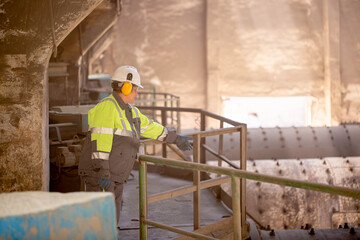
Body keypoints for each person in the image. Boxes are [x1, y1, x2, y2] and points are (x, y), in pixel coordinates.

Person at [78, 65, 192, 224]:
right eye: (135, 88)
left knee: (110, 219)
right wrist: (102, 169)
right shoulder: (107, 107)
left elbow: (150, 127)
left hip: (115, 175)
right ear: (125, 87)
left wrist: (176, 138)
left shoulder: (131, 111)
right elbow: (100, 140)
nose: (136, 92)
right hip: (99, 174)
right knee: (96, 221)